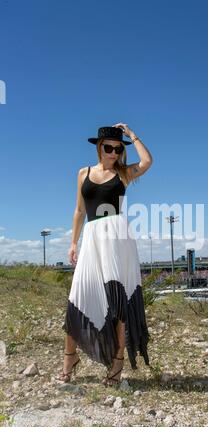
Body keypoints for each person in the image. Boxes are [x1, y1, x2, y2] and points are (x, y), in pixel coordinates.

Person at [57, 123, 153, 387]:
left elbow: (147, 161)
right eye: (109, 148)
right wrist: (73, 243)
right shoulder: (83, 173)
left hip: (117, 238)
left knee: (117, 300)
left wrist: (133, 135)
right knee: (78, 295)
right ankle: (70, 357)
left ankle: (117, 362)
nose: (113, 153)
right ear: (100, 147)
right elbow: (78, 210)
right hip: (92, 237)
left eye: (118, 148)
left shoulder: (123, 173)